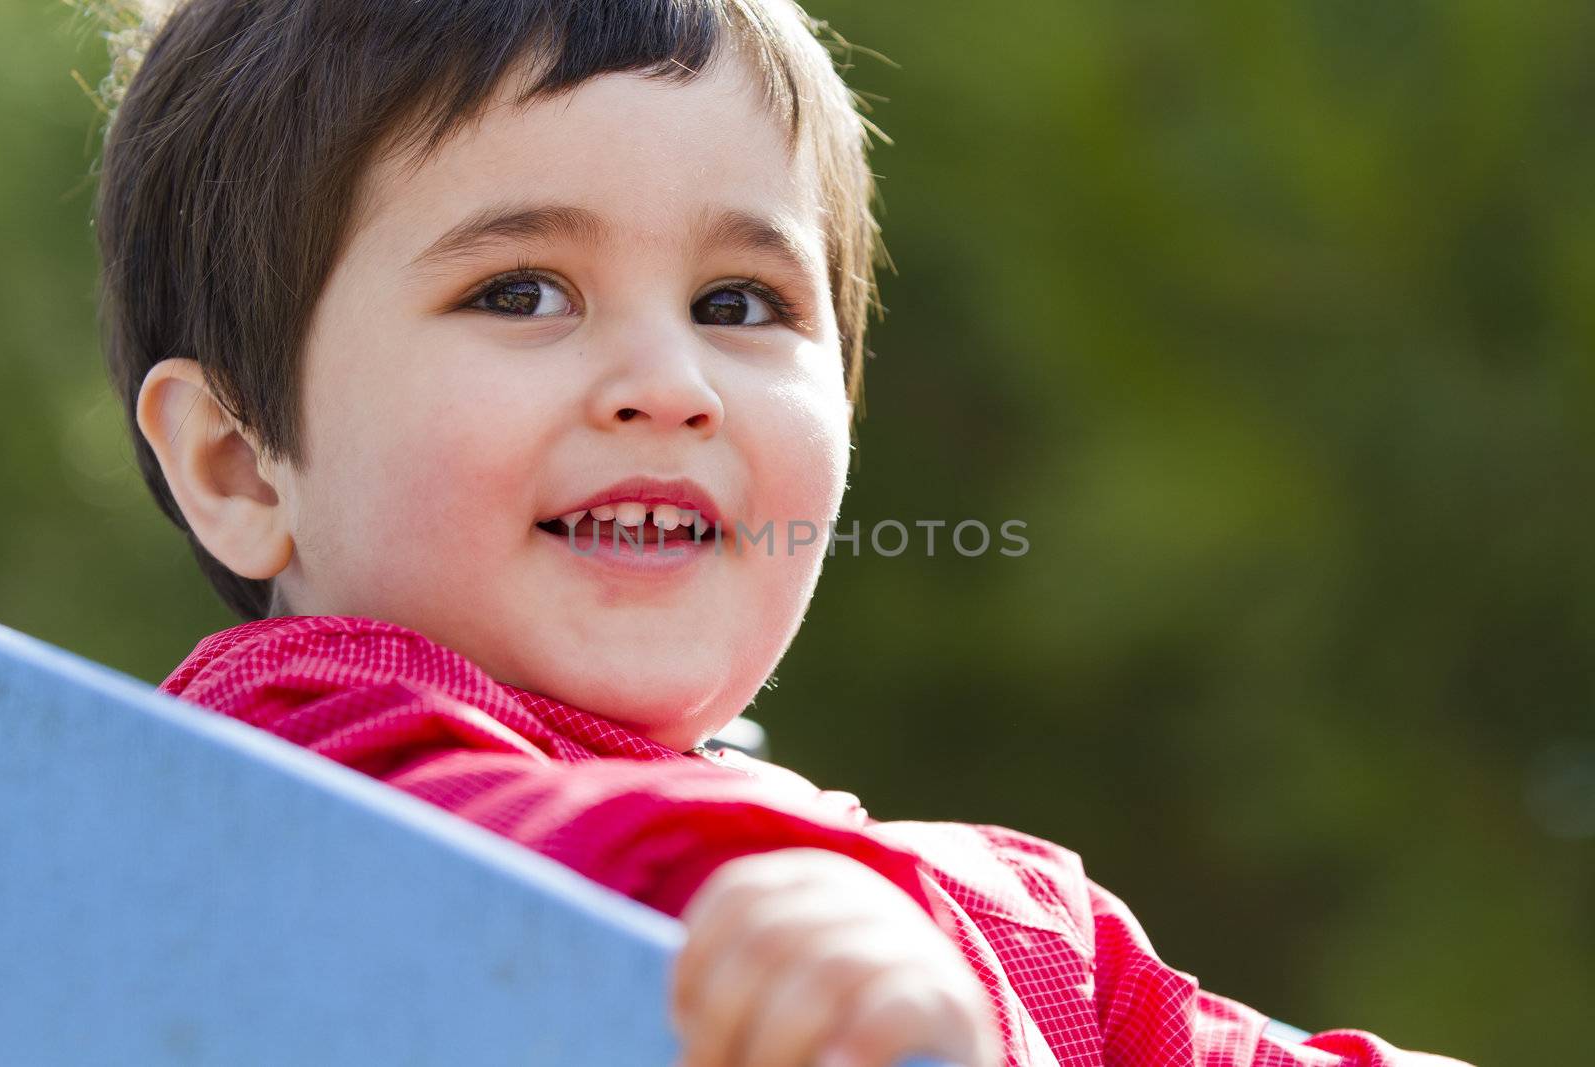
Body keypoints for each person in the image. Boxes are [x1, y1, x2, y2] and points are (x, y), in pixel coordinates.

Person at [94, 1, 1472, 1064]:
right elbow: (439, 864)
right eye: (522, 290)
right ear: (238, 461)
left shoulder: (1015, 918)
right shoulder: (309, 743)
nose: (671, 387)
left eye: (741, 305)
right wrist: (764, 907)